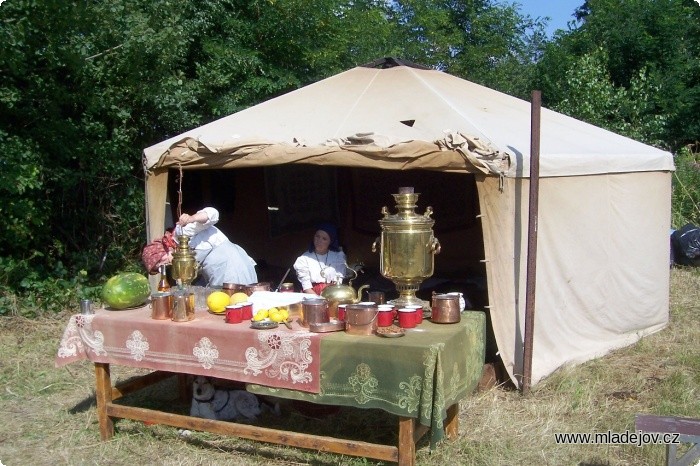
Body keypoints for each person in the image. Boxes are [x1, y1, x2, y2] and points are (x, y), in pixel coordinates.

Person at [293, 223, 347, 295]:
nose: (319, 241)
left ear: (330, 241)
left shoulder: (337, 256)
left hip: (332, 294)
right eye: (317, 236)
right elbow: (306, 287)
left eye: (324, 239)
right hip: (312, 296)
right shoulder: (304, 259)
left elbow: (338, 282)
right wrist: (319, 300)